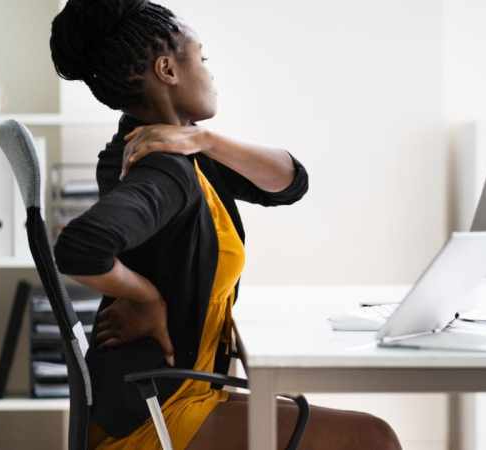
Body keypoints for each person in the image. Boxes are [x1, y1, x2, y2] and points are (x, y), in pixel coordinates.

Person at [49, 1, 402, 449]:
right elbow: (81, 246)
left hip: (177, 388)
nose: (210, 74)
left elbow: (289, 183)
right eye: (202, 58)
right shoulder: (162, 169)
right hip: (158, 409)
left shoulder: (182, 152)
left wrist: (205, 138)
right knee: (372, 439)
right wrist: (146, 296)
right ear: (167, 69)